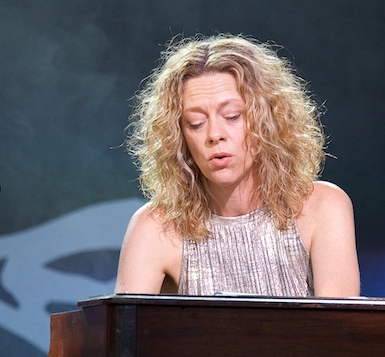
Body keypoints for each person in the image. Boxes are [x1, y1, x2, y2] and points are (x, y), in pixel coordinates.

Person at [115, 34, 360, 298]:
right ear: (178, 137)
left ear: (268, 120)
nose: (214, 134)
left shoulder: (323, 206)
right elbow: (125, 333)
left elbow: (338, 331)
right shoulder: (155, 227)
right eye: (196, 122)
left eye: (232, 116)